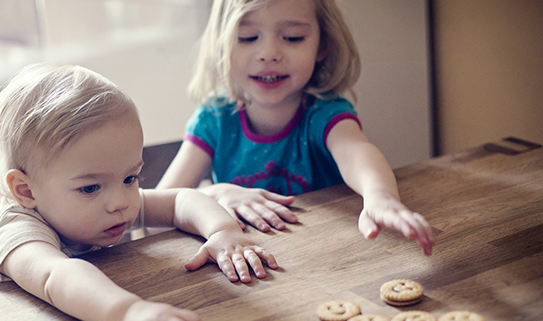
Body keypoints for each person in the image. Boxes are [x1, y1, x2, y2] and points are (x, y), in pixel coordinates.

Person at [0, 62, 277, 321]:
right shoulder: (18, 233)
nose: (120, 202)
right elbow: (58, 277)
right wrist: (130, 313)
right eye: (90, 187)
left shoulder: (101, 205)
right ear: (26, 190)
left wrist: (223, 232)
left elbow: (181, 200)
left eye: (131, 177)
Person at [157, 0, 434, 255]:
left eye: (292, 37)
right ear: (222, 45)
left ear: (322, 45)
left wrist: (380, 196)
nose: (268, 53)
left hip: (327, 255)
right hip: (246, 265)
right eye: (247, 37)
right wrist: (214, 194)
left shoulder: (324, 114)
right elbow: (158, 212)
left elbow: (355, 151)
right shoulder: (214, 120)